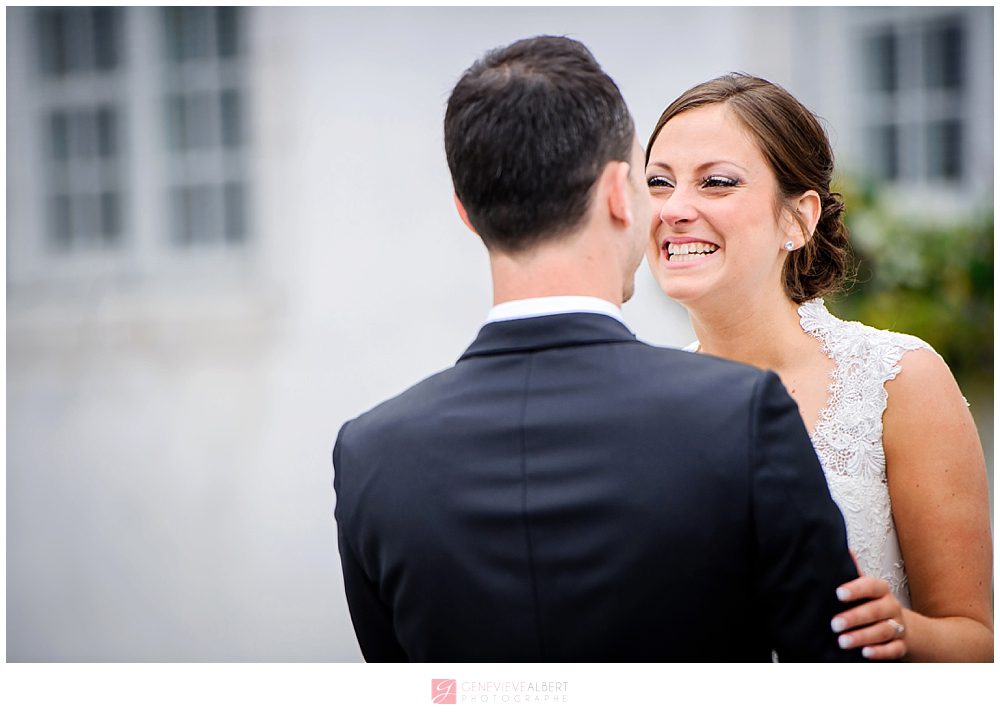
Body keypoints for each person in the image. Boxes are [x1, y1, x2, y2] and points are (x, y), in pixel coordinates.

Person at [333, 36, 864, 662]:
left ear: (466, 213)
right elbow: (838, 677)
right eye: (653, 181)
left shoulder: (370, 453)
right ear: (620, 193)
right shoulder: (740, 413)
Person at [644, 73, 993, 661]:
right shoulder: (644, 403)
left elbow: (977, 644)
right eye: (658, 183)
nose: (675, 209)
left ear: (798, 219)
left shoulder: (896, 378)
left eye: (717, 183)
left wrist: (901, 630)